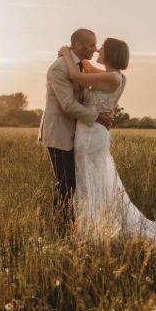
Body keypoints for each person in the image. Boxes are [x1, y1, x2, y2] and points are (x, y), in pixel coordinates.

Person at [58, 38, 156, 255]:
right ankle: (91, 226)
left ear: (112, 53)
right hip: (91, 132)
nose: (98, 49)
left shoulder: (111, 78)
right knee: (92, 179)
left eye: (103, 48)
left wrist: (65, 53)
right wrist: (76, 57)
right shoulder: (112, 75)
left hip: (91, 135)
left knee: (89, 180)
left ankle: (92, 230)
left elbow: (76, 76)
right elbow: (88, 67)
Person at [39, 29, 113, 236]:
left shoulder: (81, 67)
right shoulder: (59, 68)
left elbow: (87, 93)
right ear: (78, 45)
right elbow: (68, 105)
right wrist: (97, 116)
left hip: (78, 132)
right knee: (66, 183)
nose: (94, 49)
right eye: (91, 45)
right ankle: (61, 230)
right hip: (59, 132)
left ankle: (74, 225)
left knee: (74, 182)